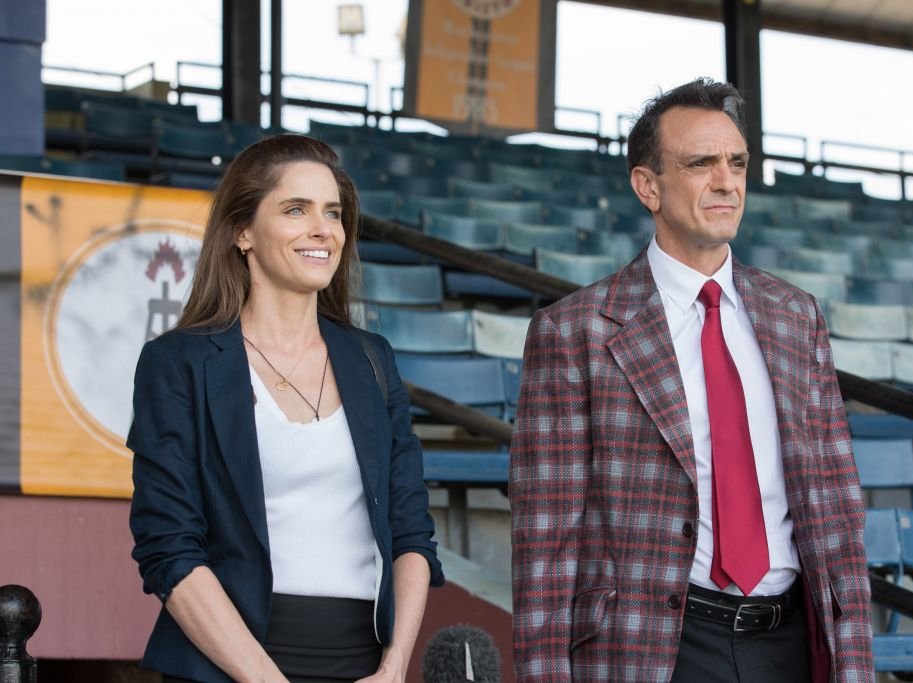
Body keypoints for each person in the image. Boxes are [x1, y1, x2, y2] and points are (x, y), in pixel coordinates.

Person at [509, 78, 873, 682]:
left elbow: (837, 511)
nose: (726, 181)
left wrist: (855, 663)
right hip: (654, 650)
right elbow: (545, 543)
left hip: (788, 645)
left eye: (736, 163)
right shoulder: (573, 332)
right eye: (700, 163)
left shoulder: (796, 317)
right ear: (647, 185)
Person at [129, 134, 444, 683]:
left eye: (333, 213)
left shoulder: (373, 360)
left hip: (362, 664)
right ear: (242, 231)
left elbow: (411, 533)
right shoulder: (177, 363)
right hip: (225, 666)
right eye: (296, 210)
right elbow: (170, 549)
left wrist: (394, 667)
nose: (323, 229)